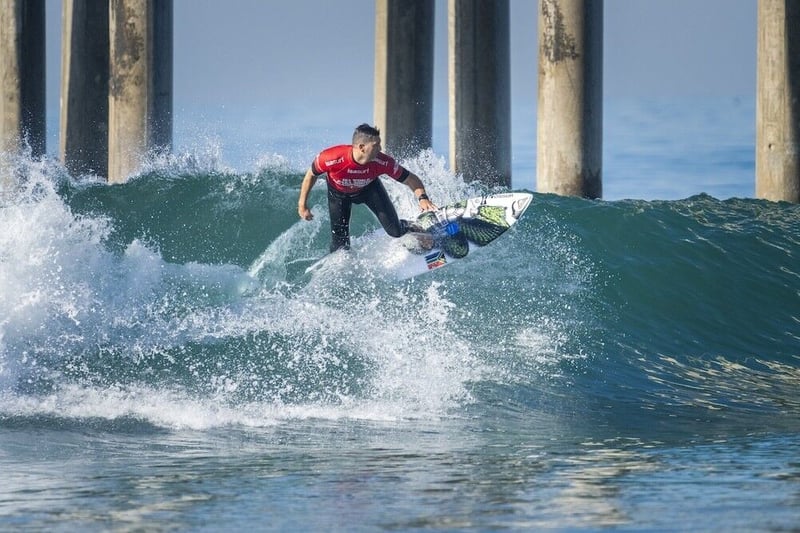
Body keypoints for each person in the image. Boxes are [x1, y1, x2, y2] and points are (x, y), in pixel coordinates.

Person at [297, 123, 437, 252]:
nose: (380, 148)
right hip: (338, 194)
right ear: (362, 147)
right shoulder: (332, 157)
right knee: (339, 244)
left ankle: (416, 227)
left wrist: (422, 197)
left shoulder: (382, 162)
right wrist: (302, 204)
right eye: (376, 145)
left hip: (369, 190)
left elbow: (410, 178)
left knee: (395, 231)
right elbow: (311, 174)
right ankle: (343, 268)